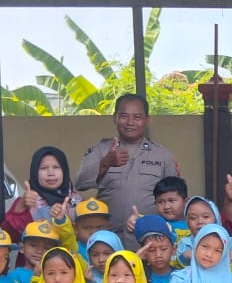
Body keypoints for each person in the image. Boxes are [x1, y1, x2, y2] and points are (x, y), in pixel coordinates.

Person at [76, 93, 180, 249]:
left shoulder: (163, 155)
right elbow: (80, 183)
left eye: (137, 117)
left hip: (149, 241)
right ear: (114, 117)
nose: (130, 122)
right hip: (108, 240)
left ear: (147, 120)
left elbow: (176, 199)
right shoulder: (101, 150)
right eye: (124, 116)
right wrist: (106, 162)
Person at [4, 146, 79, 242]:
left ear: (64, 170)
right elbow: (7, 237)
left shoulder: (78, 202)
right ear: (35, 172)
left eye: (56, 167)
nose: (51, 173)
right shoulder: (26, 201)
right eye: (44, 168)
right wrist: (21, 207)